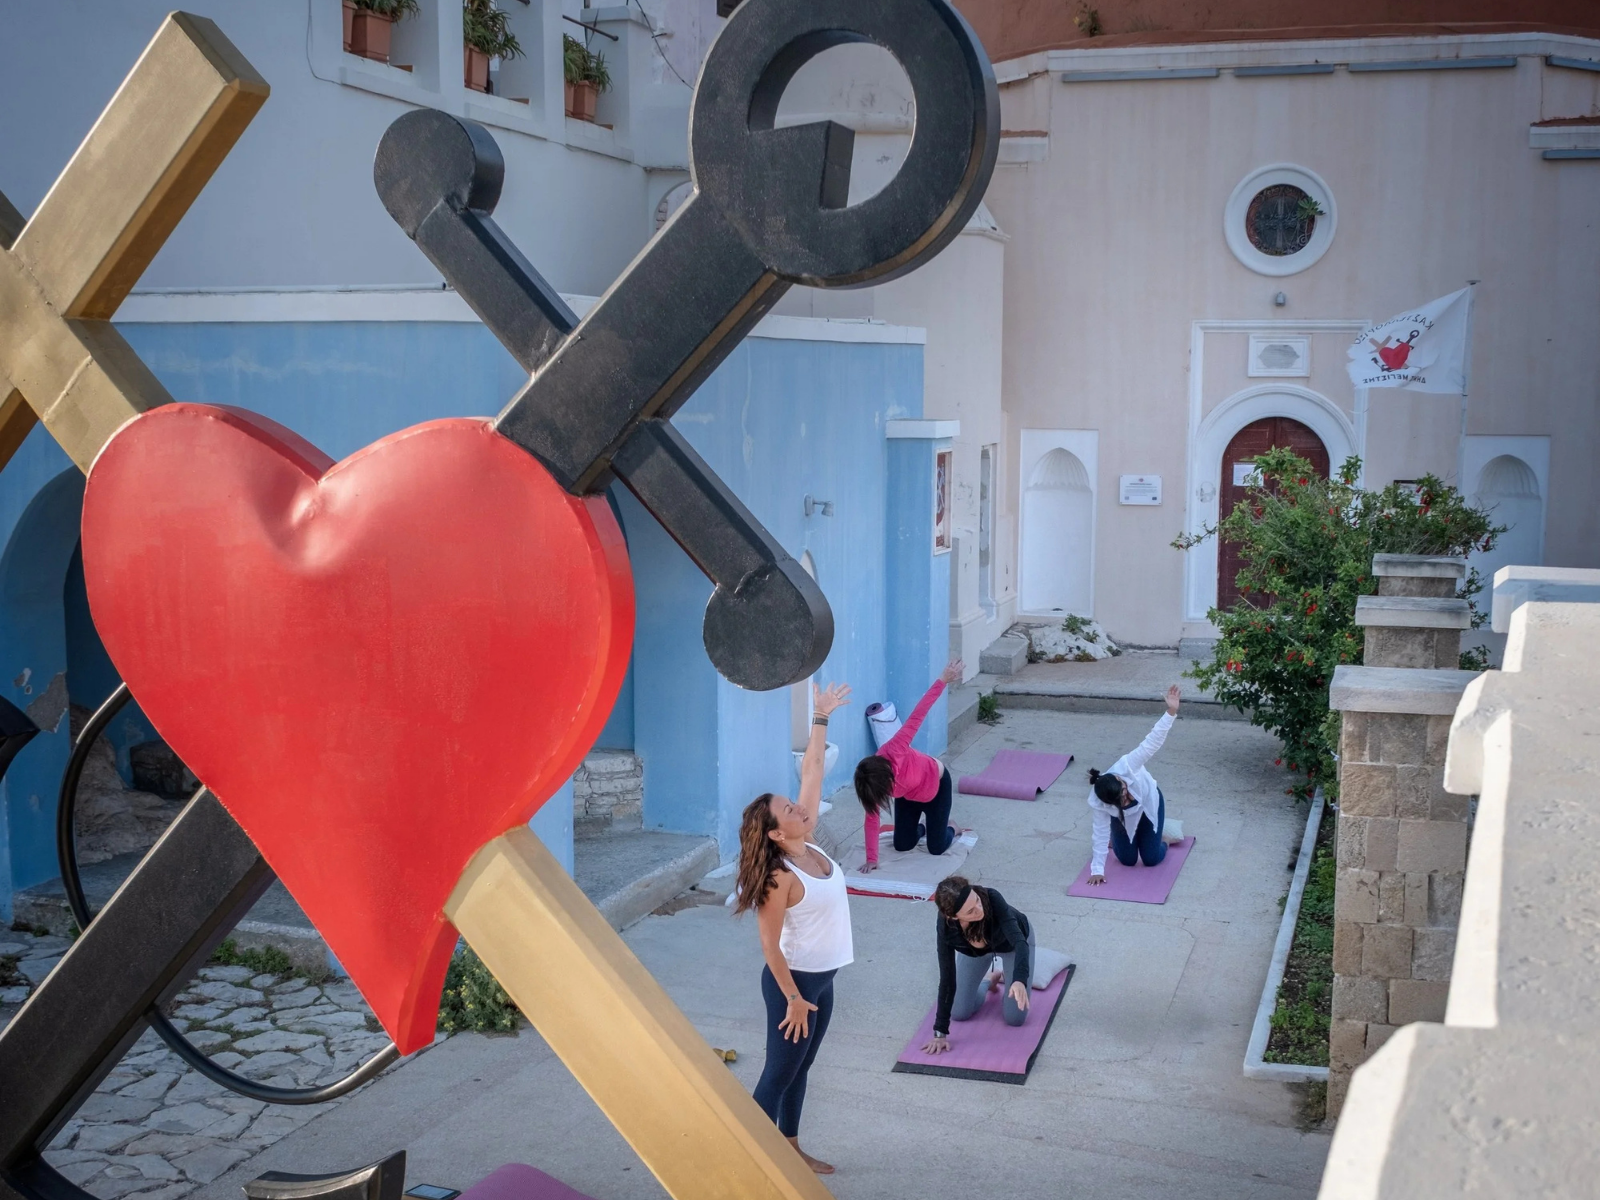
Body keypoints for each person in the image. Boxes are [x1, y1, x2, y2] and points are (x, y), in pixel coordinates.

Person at [734, 681, 853, 1175]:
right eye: (789, 809)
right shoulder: (781, 876)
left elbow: (812, 768)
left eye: (794, 802)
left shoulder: (810, 847)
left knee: (801, 1068)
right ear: (778, 833)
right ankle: (747, 1169)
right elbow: (768, 944)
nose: (800, 806)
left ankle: (789, 1148)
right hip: (795, 987)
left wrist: (820, 716)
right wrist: (793, 998)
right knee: (777, 1074)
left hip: (822, 982)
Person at [853, 659, 964, 872]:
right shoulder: (871, 782)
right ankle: (922, 828)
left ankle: (952, 827)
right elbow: (871, 819)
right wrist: (872, 859)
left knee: (937, 848)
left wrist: (943, 680)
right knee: (902, 845)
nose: (883, 796)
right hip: (909, 797)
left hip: (936, 787)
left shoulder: (895, 748)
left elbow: (918, 714)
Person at [921, 876, 1034, 1054]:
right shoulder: (946, 926)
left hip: (1012, 944)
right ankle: (989, 980)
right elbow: (947, 976)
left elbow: (1020, 943)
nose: (979, 910)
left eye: (977, 901)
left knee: (1014, 1018)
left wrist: (1020, 980)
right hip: (976, 952)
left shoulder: (992, 898)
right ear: (953, 916)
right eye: (970, 911)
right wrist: (939, 1033)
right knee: (958, 1012)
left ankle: (1010, 975)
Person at [1085, 683, 1181, 884]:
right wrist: (1097, 870)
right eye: (1122, 800)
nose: (1128, 798)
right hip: (1121, 819)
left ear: (1121, 780)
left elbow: (1152, 741)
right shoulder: (1099, 802)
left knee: (1151, 859)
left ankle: (1162, 837)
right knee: (1128, 860)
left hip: (1149, 805)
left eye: (1126, 792)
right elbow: (1099, 833)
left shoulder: (1128, 766)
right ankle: (1121, 838)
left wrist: (1171, 711)